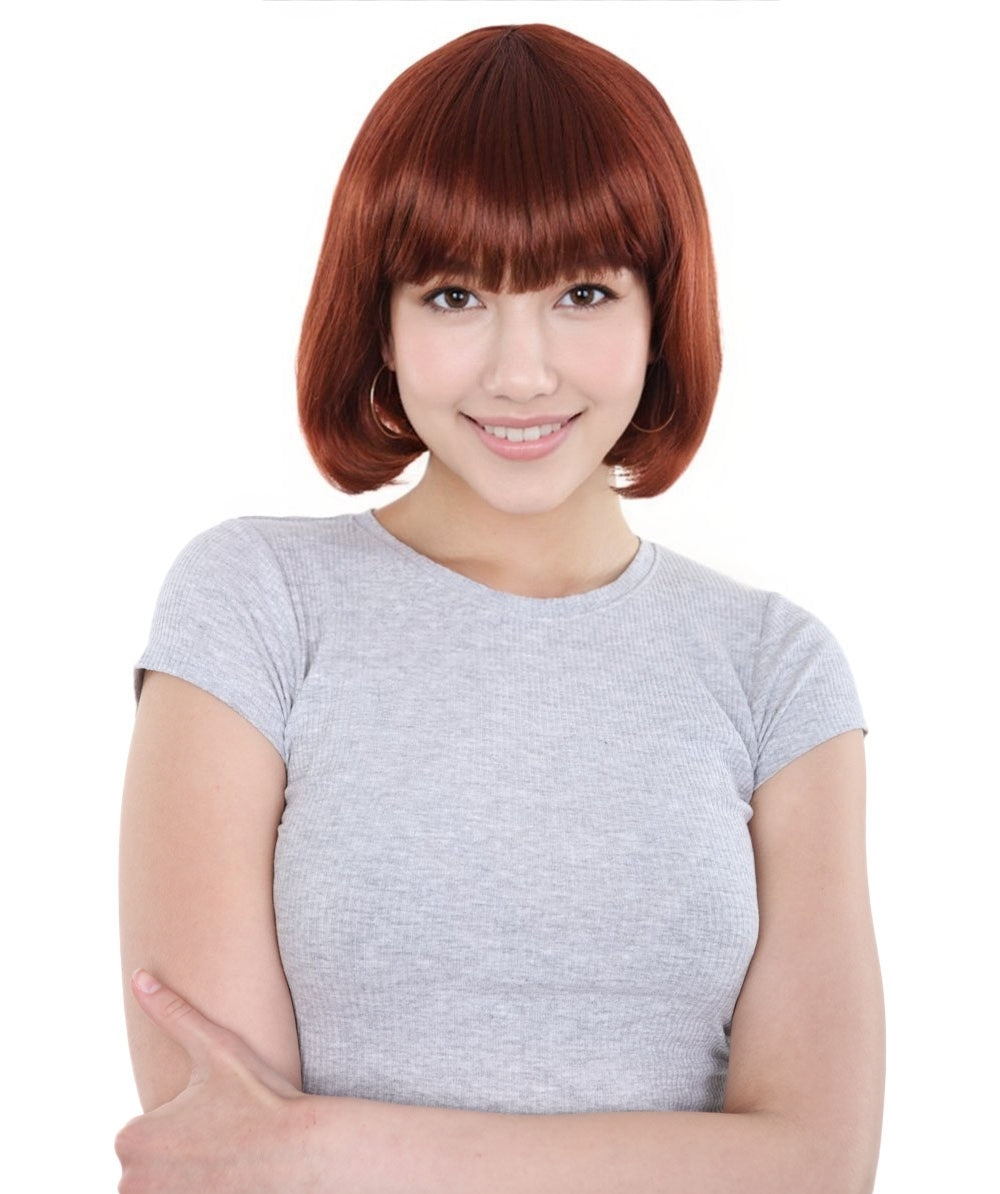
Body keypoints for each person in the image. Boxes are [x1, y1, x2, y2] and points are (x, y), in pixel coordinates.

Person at [116, 23, 884, 1193]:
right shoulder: (256, 606)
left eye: (583, 291)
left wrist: (332, 1143)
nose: (521, 372)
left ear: (659, 309)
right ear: (379, 319)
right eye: (454, 293)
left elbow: (818, 1165)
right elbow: (219, 1161)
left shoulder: (774, 670)